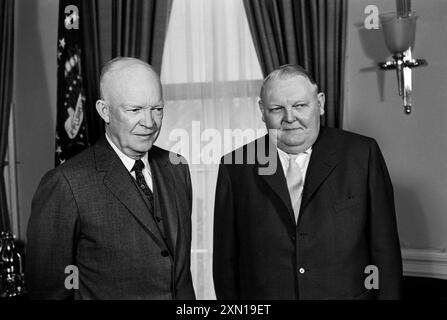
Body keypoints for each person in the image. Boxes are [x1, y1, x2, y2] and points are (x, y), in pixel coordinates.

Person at [213, 64, 402, 300]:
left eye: (300, 105)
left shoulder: (362, 155)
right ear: (262, 110)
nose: (290, 118)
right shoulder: (235, 167)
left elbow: (385, 252)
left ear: (320, 103)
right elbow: (225, 264)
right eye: (276, 108)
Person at [26, 57, 195, 300]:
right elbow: (49, 291)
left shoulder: (177, 168)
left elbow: (180, 275)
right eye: (135, 110)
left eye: (157, 109)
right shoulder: (65, 184)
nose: (149, 123)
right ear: (104, 111)